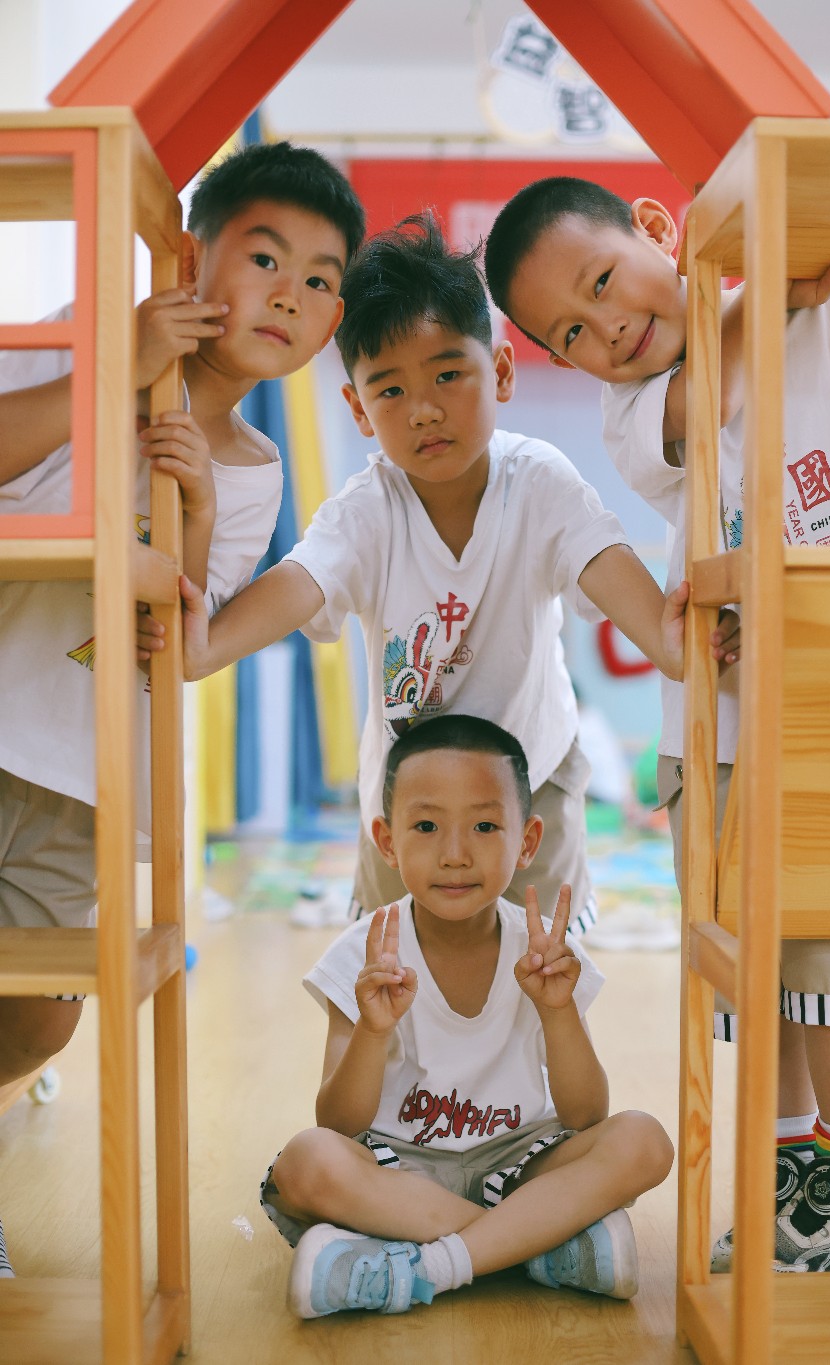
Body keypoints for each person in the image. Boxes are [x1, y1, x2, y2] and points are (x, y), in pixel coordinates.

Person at [483, 176, 830, 1272]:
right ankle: (792, 1168)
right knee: (751, 952)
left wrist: (806, 274)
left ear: (656, 229)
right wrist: (764, 289)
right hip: (716, 728)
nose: (607, 331)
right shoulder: (638, 412)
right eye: (570, 335)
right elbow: (702, 397)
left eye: (603, 282)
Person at [0, 140, 365, 1275]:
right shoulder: (78, 336)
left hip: (81, 768)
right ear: (188, 258)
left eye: (318, 281)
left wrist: (197, 517)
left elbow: (168, 643)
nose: (289, 295)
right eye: (265, 258)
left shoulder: (251, 467)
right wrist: (116, 364)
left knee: (44, 1009)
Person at [169, 213, 736, 938]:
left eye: (447, 374)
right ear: (358, 409)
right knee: (389, 978)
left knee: (542, 970)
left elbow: (629, 595)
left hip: (532, 784)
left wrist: (680, 640)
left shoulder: (540, 484)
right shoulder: (368, 512)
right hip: (406, 804)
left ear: (500, 371)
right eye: (390, 391)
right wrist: (206, 646)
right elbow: (301, 581)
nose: (424, 410)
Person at [260, 713, 675, 1318]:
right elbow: (338, 1125)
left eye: (484, 826)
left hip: (520, 1162)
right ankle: (537, 1244)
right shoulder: (363, 953)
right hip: (399, 1174)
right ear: (387, 841)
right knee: (306, 1162)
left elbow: (587, 1117)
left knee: (645, 1140)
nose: (455, 855)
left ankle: (423, 1266)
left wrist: (558, 1012)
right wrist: (373, 1031)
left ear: (527, 841)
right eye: (426, 826)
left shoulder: (544, 950)